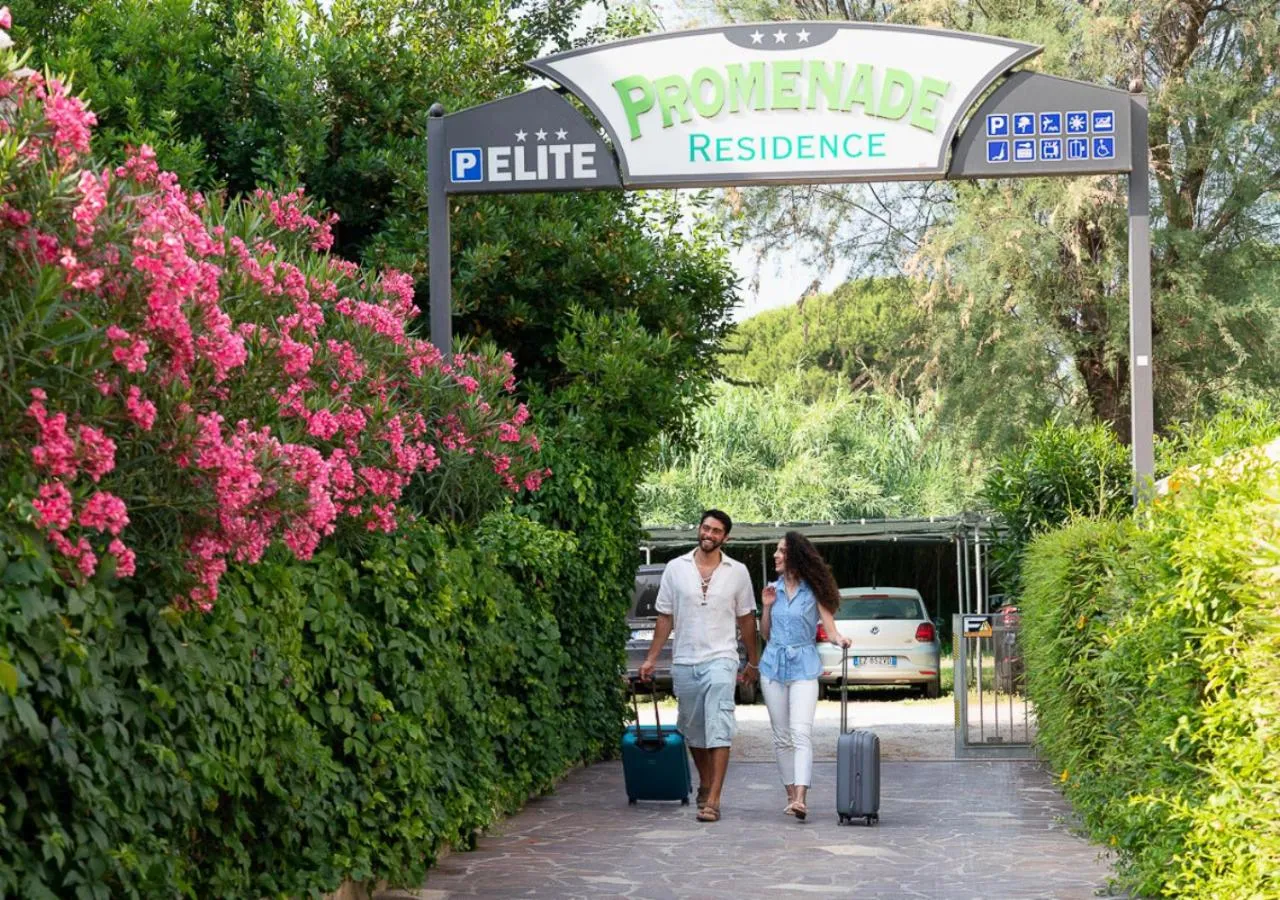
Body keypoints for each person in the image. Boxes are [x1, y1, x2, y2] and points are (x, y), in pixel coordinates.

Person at [638, 509, 759, 823]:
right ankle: (705, 781)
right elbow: (665, 616)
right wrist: (651, 658)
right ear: (699, 529)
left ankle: (714, 800)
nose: (709, 534)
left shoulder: (738, 571)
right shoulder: (676, 569)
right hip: (685, 660)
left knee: (719, 727)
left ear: (725, 537)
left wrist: (752, 661)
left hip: (722, 659)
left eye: (716, 531)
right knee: (693, 732)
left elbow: (746, 618)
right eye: (706, 528)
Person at [758, 530, 851, 821]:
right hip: (772, 665)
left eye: (782, 551)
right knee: (781, 737)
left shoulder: (814, 593)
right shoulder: (772, 590)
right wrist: (766, 607)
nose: (776, 555)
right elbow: (765, 634)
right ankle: (789, 794)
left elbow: (831, 629)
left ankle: (801, 797)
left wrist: (841, 640)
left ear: (795, 556)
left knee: (800, 733)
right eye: (776, 550)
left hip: (803, 666)